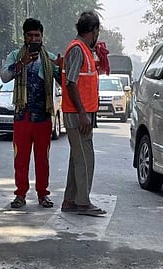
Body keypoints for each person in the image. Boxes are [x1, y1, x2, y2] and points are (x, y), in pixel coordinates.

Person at [1, 18, 62, 209]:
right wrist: (22, 62)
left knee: (42, 159)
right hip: (22, 116)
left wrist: (62, 67)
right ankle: (20, 194)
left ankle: (43, 194)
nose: (34, 38)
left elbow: (62, 81)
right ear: (24, 37)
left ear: (42, 37)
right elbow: (4, 77)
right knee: (21, 159)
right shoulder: (14, 56)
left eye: (37, 35)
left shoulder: (49, 58)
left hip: (43, 116)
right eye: (30, 35)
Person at [61, 11, 106, 216]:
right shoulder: (78, 49)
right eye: (97, 30)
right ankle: (83, 202)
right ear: (93, 30)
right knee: (85, 159)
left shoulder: (84, 49)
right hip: (77, 114)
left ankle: (70, 200)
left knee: (77, 158)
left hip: (82, 112)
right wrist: (81, 113)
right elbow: (71, 83)